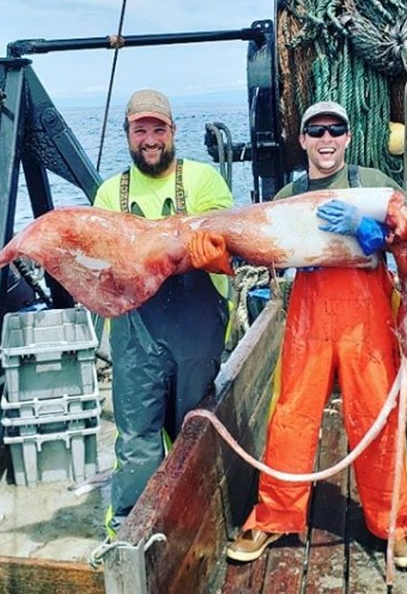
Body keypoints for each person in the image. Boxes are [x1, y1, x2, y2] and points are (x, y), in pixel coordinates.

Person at [226, 101, 407, 569]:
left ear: (348, 138)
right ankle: (272, 518)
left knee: (377, 416)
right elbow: (262, 246)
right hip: (309, 317)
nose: (326, 139)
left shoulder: (372, 182)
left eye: (336, 130)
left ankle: (395, 524)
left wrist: (371, 232)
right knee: (291, 413)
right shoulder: (290, 192)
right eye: (316, 131)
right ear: (303, 141)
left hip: (368, 320)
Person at [93, 89, 233, 536]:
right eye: (141, 130)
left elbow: (227, 245)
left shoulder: (204, 180)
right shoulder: (109, 192)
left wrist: (206, 252)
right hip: (135, 336)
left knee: (192, 429)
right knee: (136, 439)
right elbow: (102, 259)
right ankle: (130, 530)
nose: (150, 139)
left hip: (195, 332)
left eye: (158, 129)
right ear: (128, 135)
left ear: (173, 131)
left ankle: (197, 522)